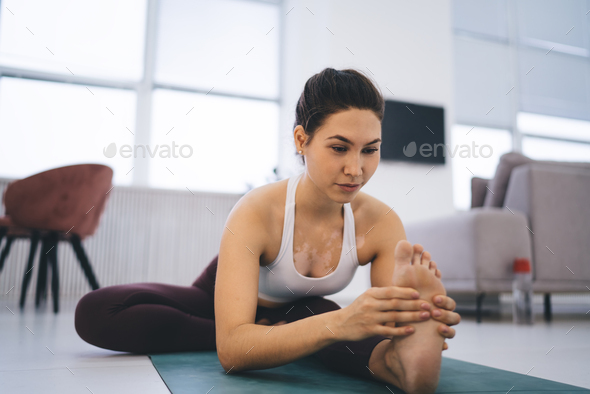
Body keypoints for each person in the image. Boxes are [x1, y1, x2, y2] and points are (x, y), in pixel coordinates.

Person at [75, 67, 460, 394]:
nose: (356, 169)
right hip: (215, 298)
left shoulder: (381, 222)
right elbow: (231, 358)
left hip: (304, 311)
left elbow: (383, 322)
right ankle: (255, 333)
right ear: (302, 141)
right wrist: (324, 327)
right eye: (339, 148)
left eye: (369, 150)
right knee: (97, 311)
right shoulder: (258, 210)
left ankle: (399, 366)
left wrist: (418, 320)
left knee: (330, 320)